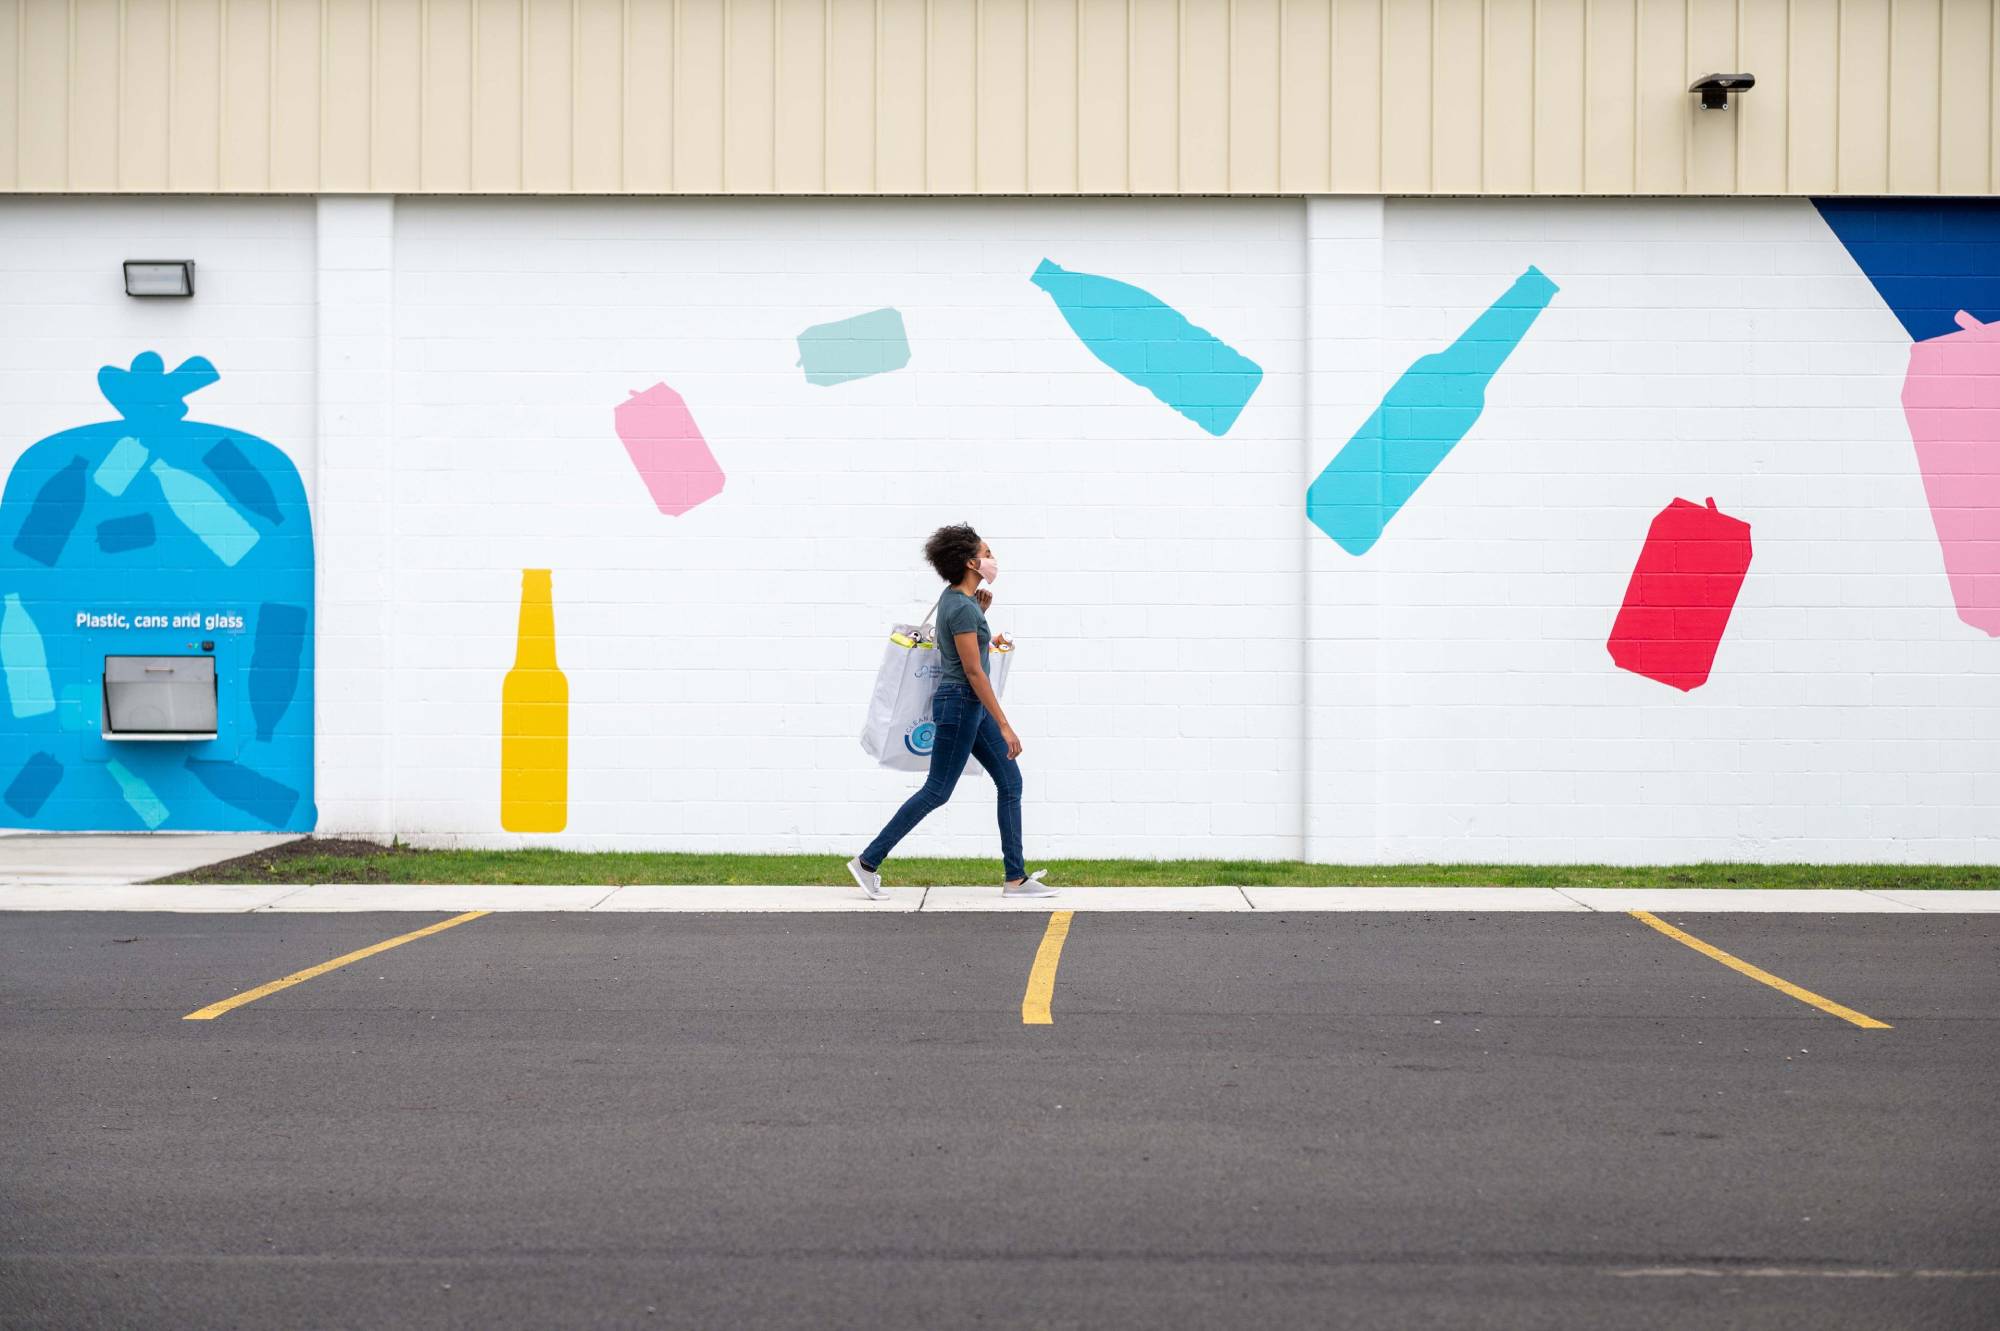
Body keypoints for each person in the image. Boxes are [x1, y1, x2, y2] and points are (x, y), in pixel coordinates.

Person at [848, 524, 1055, 901]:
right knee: (937, 791)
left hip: (968, 706)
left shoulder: (960, 601)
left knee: (1010, 782)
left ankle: (1015, 878)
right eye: (987, 553)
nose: (992, 560)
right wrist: (1005, 726)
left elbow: (969, 650)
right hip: (961, 704)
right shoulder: (960, 606)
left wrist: (980, 615)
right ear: (969, 562)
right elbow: (973, 671)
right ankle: (867, 862)